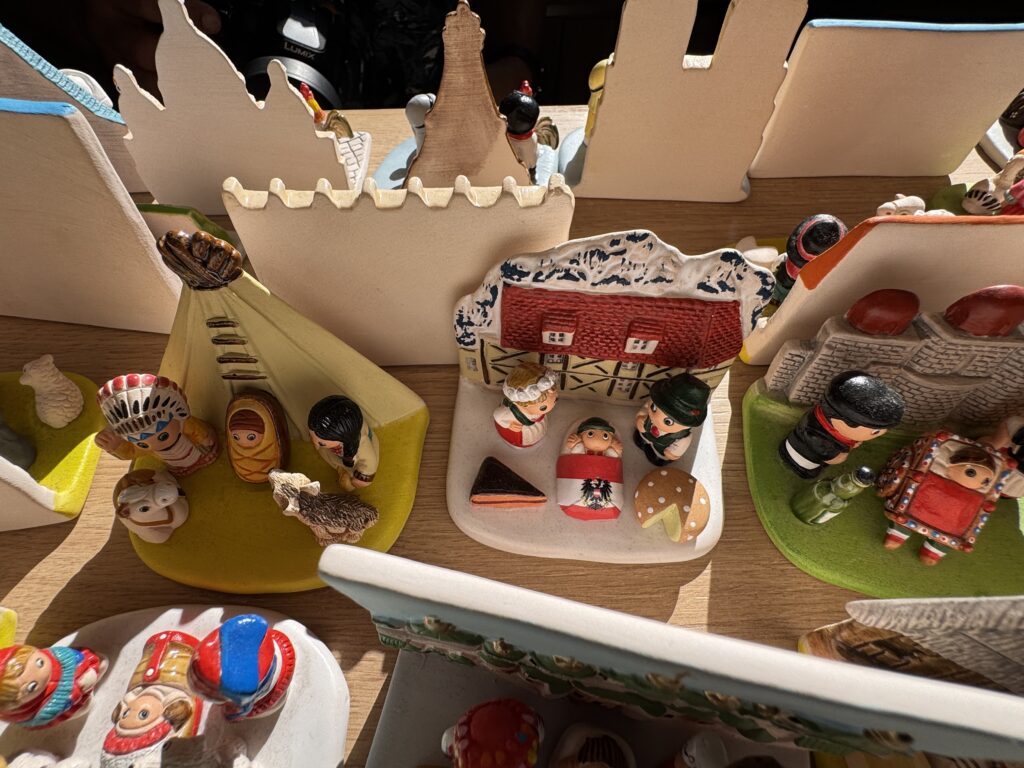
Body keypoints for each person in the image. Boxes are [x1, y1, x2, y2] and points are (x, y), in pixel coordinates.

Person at [779, 371, 904, 480]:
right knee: (809, 467)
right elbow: (833, 458)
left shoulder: (821, 415)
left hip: (803, 436)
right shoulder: (820, 439)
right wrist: (841, 456)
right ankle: (802, 469)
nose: (882, 432)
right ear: (843, 422)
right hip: (803, 455)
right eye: (875, 431)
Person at [633, 374, 711, 466]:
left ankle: (656, 456)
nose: (656, 418)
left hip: (660, 449)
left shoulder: (682, 436)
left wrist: (673, 453)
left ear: (686, 425)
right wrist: (640, 418)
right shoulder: (653, 405)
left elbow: (681, 445)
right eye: (654, 407)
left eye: (668, 422)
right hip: (645, 435)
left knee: (656, 458)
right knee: (640, 439)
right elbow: (645, 408)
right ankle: (642, 440)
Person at [307, 395, 379, 491]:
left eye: (321, 442)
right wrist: (319, 443)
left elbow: (369, 463)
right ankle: (339, 467)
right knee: (324, 451)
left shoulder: (361, 444)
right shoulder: (325, 434)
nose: (315, 442)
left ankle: (345, 469)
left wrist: (362, 477)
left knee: (348, 485)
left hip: (355, 460)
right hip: (336, 453)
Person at [492, 362, 558, 448]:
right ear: (523, 405)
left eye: (556, 399)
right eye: (543, 408)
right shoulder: (509, 412)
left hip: (537, 424)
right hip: (521, 432)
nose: (552, 406)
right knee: (525, 439)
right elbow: (497, 415)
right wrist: (509, 425)